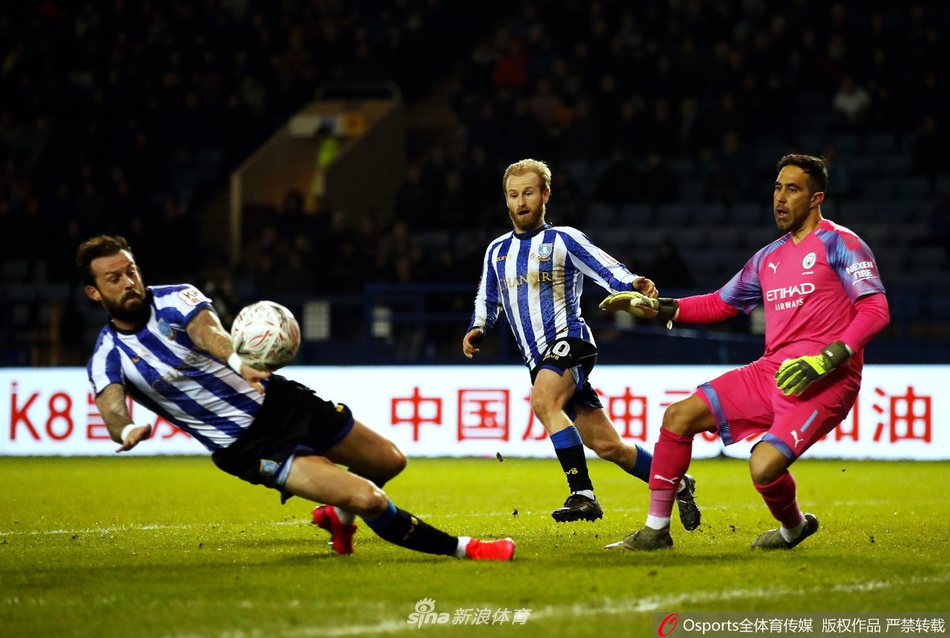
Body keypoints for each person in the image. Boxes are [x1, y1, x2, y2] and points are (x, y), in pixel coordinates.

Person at [77, 234, 514, 562]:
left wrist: (239, 362)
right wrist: (126, 429)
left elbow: (208, 333)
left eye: (131, 271)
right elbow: (112, 407)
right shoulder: (107, 356)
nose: (129, 282)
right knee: (370, 500)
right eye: (114, 278)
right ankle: (465, 549)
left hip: (282, 401)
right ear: (94, 292)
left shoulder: (177, 298)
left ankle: (336, 518)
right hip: (248, 446)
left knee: (389, 462)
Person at [599, 154, 890, 551]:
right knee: (678, 417)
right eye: (777, 188)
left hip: (826, 379)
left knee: (763, 467)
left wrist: (826, 360)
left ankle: (792, 528)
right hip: (771, 371)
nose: (780, 198)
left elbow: (875, 310)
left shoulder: (842, 244)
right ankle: (655, 531)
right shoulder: (768, 257)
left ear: (816, 198)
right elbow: (720, 303)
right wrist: (657, 307)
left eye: (793, 190)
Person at [461, 158, 700, 528]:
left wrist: (633, 282)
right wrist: (478, 327)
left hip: (570, 340)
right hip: (538, 359)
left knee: (543, 401)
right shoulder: (497, 250)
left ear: (545, 195)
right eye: (513, 195)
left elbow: (605, 269)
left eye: (528, 193)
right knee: (609, 446)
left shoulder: (563, 239)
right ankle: (678, 482)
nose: (521, 202)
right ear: (505, 199)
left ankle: (583, 494)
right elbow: (488, 298)